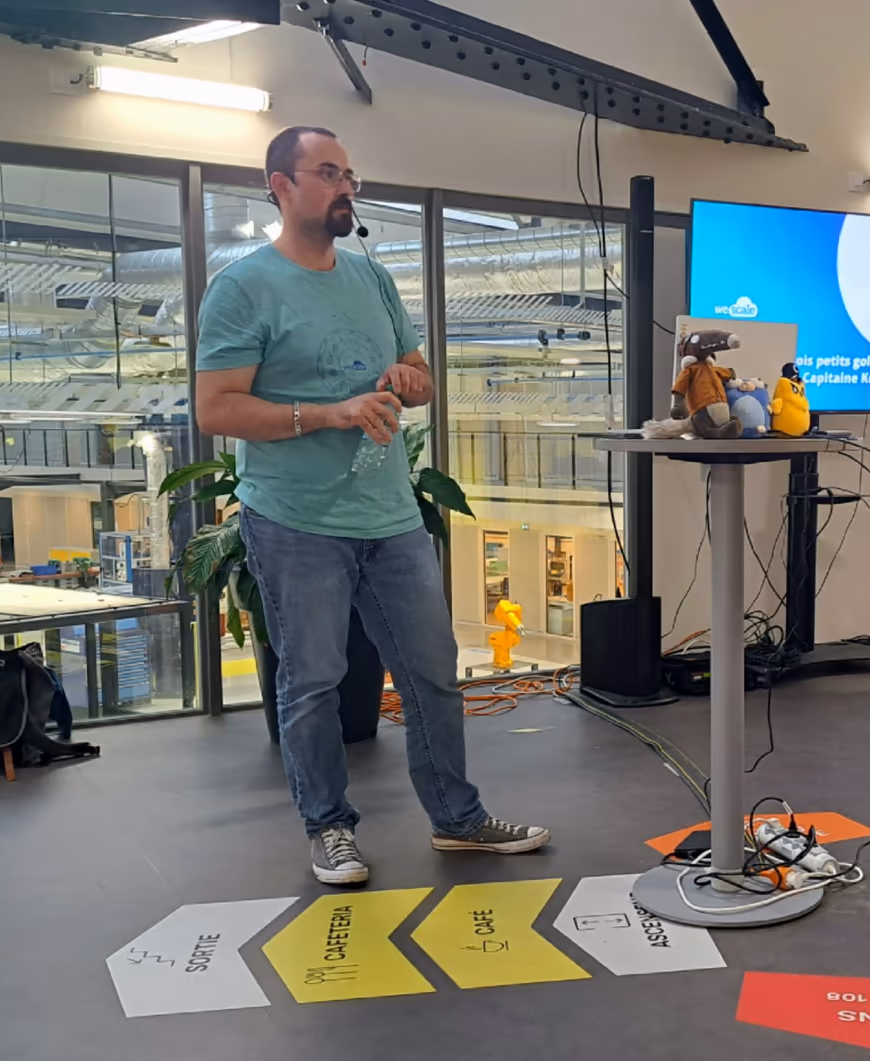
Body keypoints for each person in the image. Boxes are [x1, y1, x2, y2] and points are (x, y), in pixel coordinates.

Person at [194, 126, 549, 885]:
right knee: (313, 680)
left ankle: (458, 820)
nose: (345, 187)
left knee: (433, 674)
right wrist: (330, 413)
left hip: (389, 516)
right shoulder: (242, 287)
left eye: (350, 175)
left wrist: (411, 382)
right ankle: (329, 827)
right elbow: (217, 408)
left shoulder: (373, 279)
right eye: (328, 173)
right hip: (294, 519)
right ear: (282, 186)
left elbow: (417, 375)